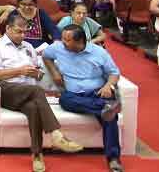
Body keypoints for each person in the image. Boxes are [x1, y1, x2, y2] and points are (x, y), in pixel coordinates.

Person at [0, 14, 82, 172]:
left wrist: (36, 73)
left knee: (33, 108)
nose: (22, 35)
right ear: (8, 29)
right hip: (6, 91)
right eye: (18, 32)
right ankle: (56, 135)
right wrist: (19, 71)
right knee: (37, 90)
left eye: (24, 32)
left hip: (27, 92)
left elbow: (40, 73)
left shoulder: (28, 47)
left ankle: (37, 155)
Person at [43, 25, 124, 172]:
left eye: (67, 40)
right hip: (74, 95)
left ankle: (113, 158)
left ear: (80, 41)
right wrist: (54, 71)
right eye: (62, 38)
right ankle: (104, 108)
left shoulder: (99, 52)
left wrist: (108, 86)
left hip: (97, 92)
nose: (63, 42)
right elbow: (46, 56)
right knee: (65, 100)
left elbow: (114, 73)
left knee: (110, 117)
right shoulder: (58, 48)